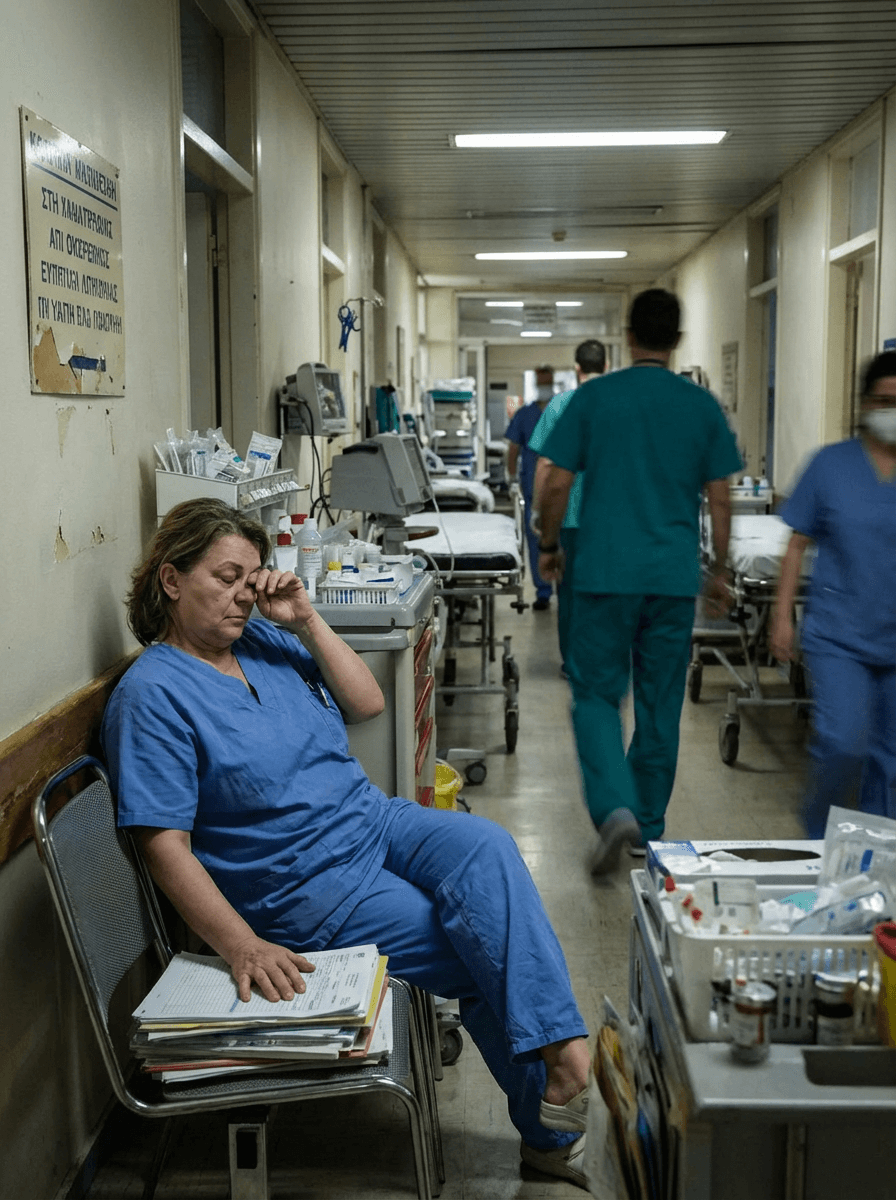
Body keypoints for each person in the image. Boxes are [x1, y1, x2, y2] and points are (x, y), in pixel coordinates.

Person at [101, 498, 592, 1186]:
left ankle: (558, 1053)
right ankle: (550, 1109)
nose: (242, 594)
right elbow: (164, 847)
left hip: (371, 820)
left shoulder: (262, 640)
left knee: (487, 847)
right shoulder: (153, 695)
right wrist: (242, 943)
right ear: (170, 580)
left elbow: (368, 703)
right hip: (305, 887)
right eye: (224, 576)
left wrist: (304, 617)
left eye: (251, 576)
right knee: (479, 942)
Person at [536, 290, 742, 873]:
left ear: (629, 336)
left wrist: (550, 546)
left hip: (602, 573)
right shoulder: (701, 407)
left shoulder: (595, 398)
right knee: (659, 704)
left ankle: (613, 808)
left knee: (597, 696)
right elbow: (721, 499)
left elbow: (553, 483)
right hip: (673, 579)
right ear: (676, 340)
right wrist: (719, 571)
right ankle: (648, 829)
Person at [770, 350, 896, 838]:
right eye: (884, 400)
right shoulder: (830, 464)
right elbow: (796, 543)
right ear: (864, 404)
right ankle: (818, 840)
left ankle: (876, 869)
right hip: (839, 635)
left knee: (889, 764)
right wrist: (782, 617)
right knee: (843, 744)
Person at [529, 339, 607, 672]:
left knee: (571, 596)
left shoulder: (560, 406)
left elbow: (546, 465)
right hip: (612, 520)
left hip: (571, 520)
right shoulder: (618, 404)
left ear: (577, 368)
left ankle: (574, 664)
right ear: (604, 367)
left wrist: (538, 509)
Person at [506, 365, 556, 610]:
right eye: (542, 382)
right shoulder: (525, 414)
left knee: (562, 537)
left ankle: (564, 587)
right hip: (532, 486)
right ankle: (544, 590)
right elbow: (513, 448)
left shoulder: (563, 410)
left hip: (562, 486)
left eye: (548, 382)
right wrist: (513, 477)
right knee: (537, 537)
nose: (545, 387)